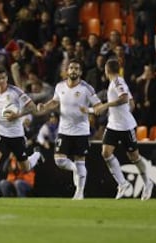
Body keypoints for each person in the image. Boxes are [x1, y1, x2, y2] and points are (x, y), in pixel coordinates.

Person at [37, 59, 102, 200]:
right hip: (64, 130)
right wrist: (45, 106)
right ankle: (75, 170)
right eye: (71, 68)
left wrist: (89, 110)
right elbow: (55, 101)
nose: (73, 70)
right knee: (59, 161)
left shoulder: (87, 88)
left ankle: (79, 192)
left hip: (81, 131)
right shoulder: (60, 87)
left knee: (80, 161)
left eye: (76, 68)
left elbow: (99, 107)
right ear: (67, 71)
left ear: (80, 72)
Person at [0, 65, 42, 199]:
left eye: (3, 78)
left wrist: (17, 115)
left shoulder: (16, 92)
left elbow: (33, 108)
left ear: (7, 78)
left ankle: (36, 155)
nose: (1, 81)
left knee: (25, 167)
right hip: (0, 132)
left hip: (16, 134)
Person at [92, 58, 154, 200]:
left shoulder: (118, 82)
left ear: (107, 70)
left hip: (125, 126)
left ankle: (147, 183)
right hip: (113, 124)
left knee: (134, 157)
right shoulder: (118, 82)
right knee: (106, 153)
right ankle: (122, 183)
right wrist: (122, 112)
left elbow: (125, 98)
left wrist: (106, 106)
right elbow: (131, 103)